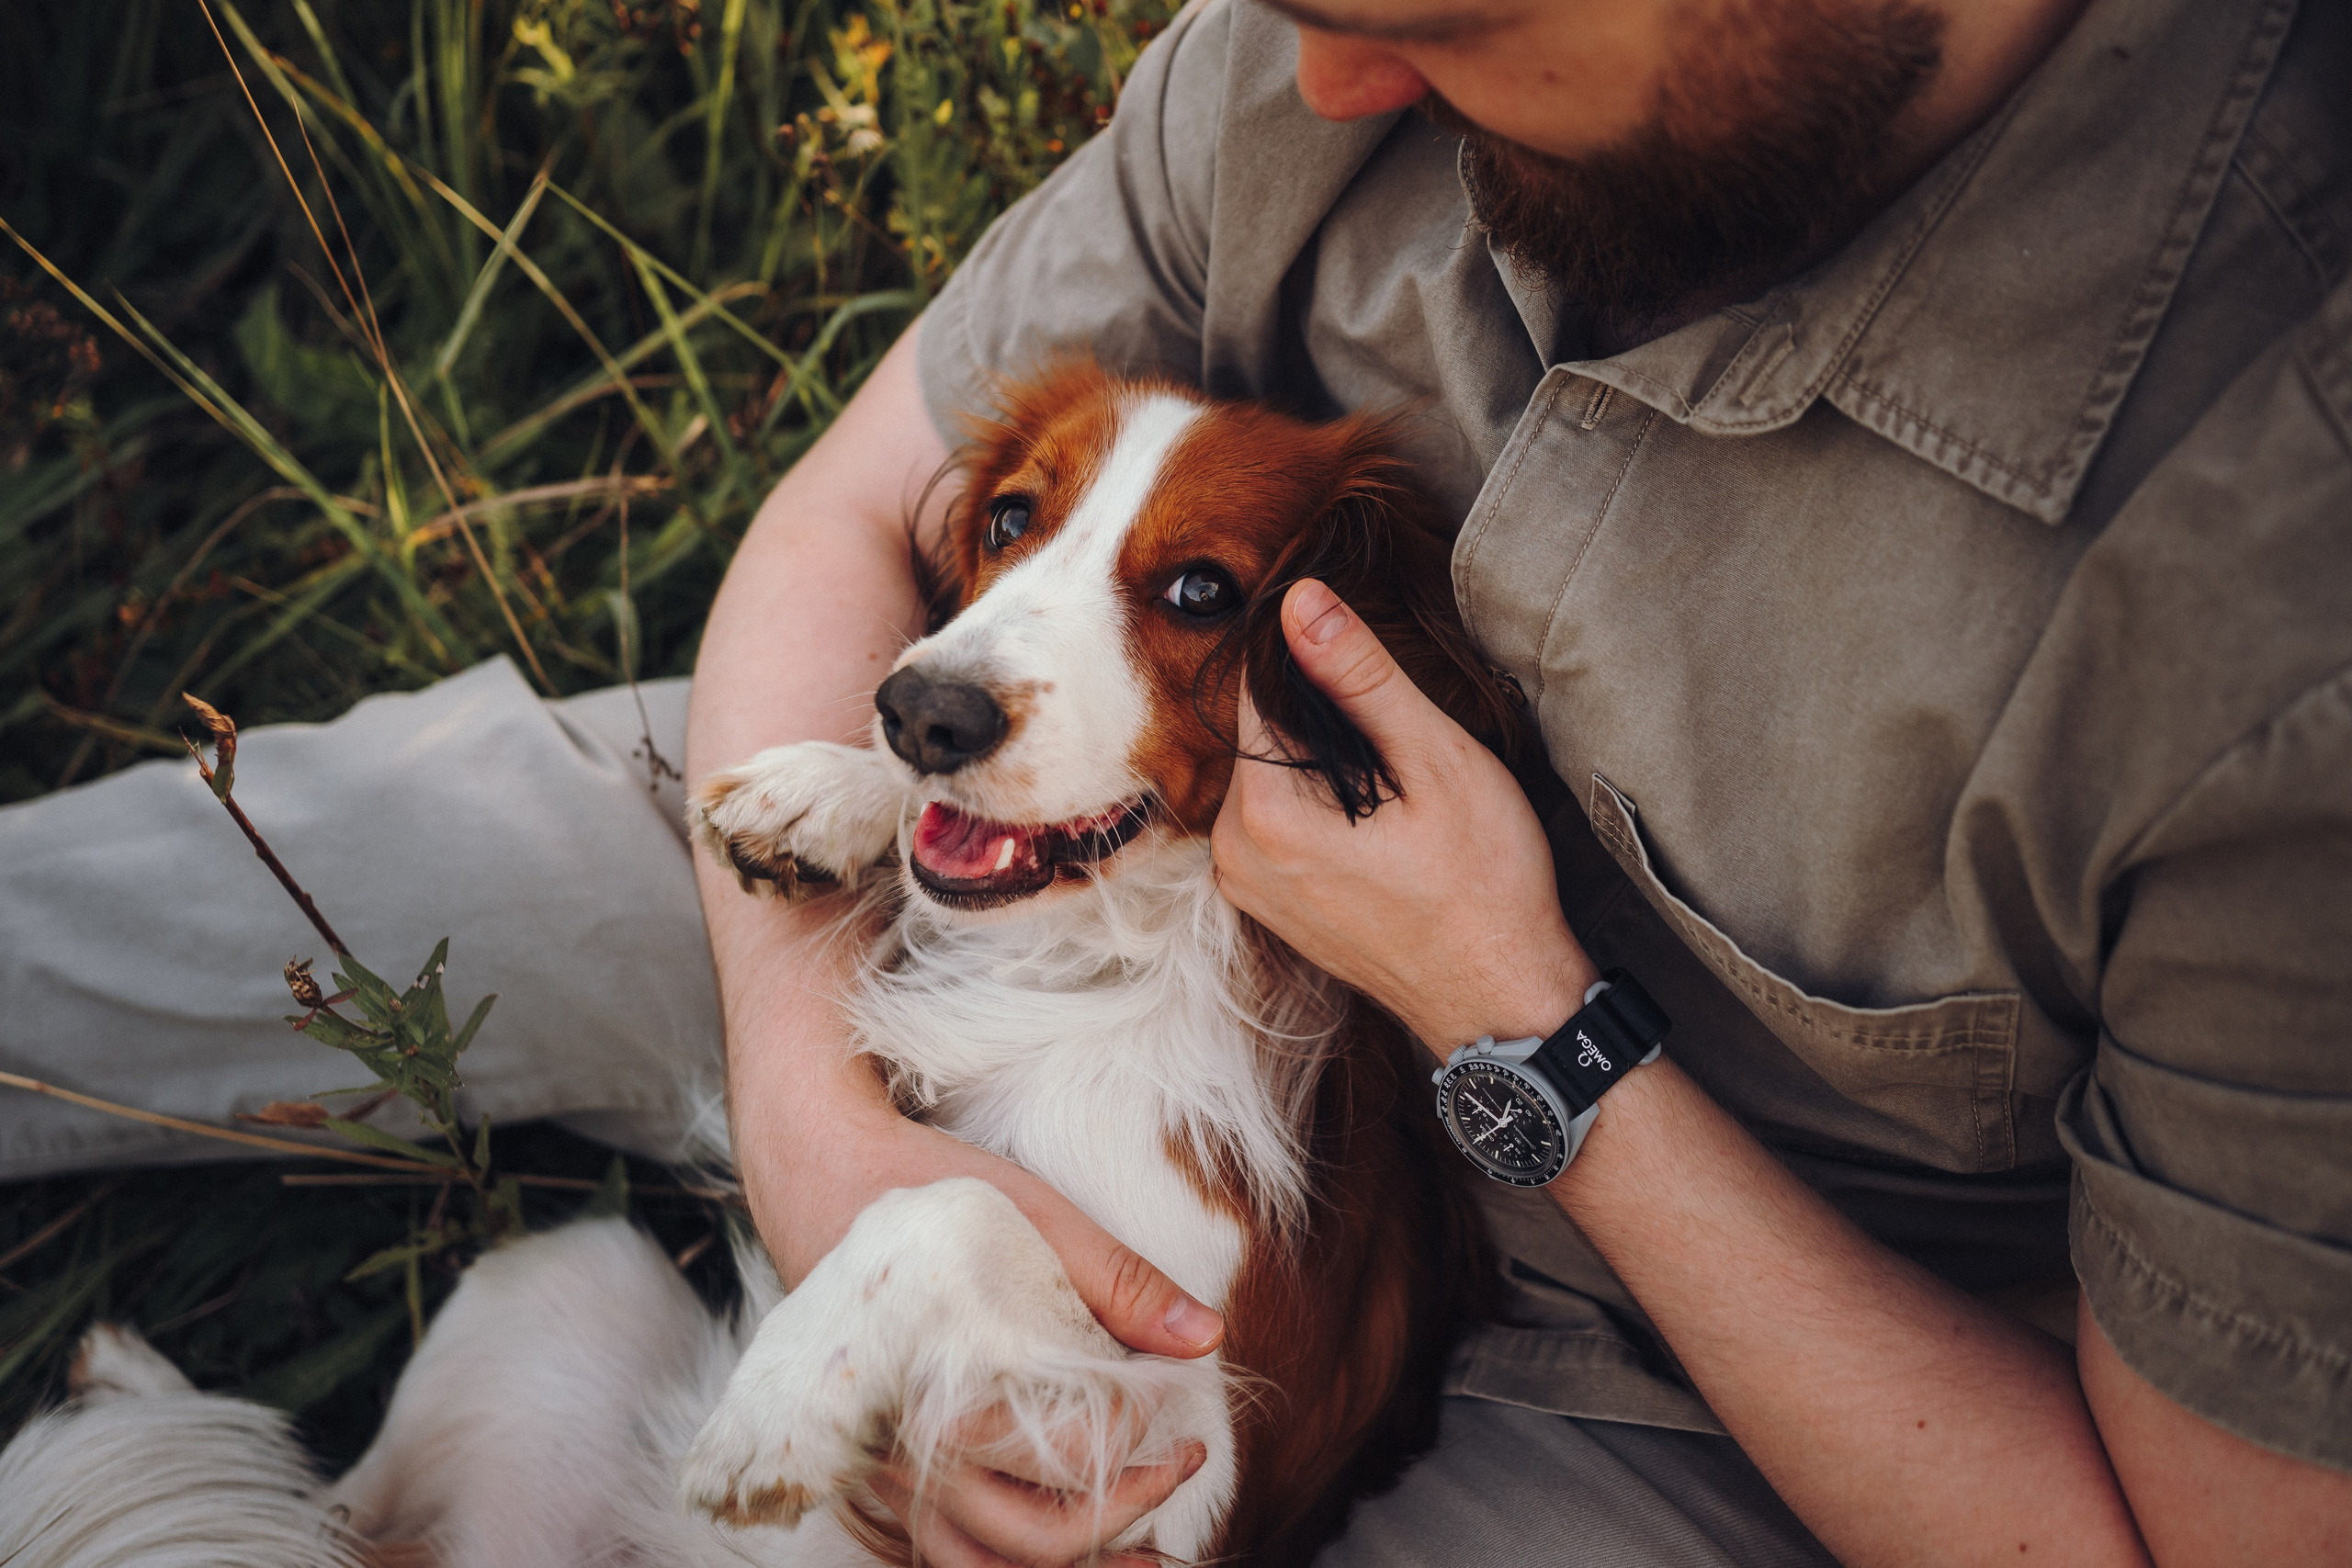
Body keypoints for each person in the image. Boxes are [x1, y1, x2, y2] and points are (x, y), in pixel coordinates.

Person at [3, 0, 2346, 1563]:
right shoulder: (1328, 50)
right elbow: (849, 527)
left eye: (1450, 12)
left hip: (1687, 1378)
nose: (1314, 74)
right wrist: (825, 1115)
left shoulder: (2281, 566)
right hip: (1016, 849)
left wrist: (1523, 1027)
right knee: (427, 834)